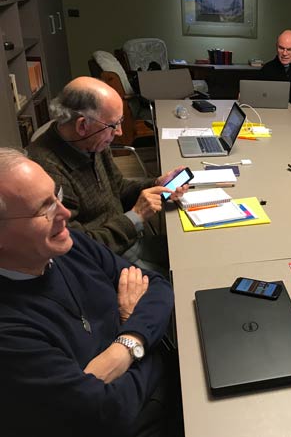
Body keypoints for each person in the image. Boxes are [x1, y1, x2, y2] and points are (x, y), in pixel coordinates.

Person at [0, 148, 178, 436]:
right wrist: (149, 342)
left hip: (161, 387)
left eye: (56, 195)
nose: (64, 213)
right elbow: (109, 411)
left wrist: (126, 345)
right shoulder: (9, 333)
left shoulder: (66, 243)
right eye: (45, 208)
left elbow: (158, 286)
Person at [26, 76, 188, 272]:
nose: (119, 132)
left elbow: (117, 187)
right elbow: (77, 250)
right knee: (186, 279)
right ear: (82, 125)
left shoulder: (92, 141)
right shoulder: (46, 174)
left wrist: (156, 184)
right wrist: (135, 217)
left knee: (192, 250)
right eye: (113, 125)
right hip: (106, 262)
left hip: (128, 240)